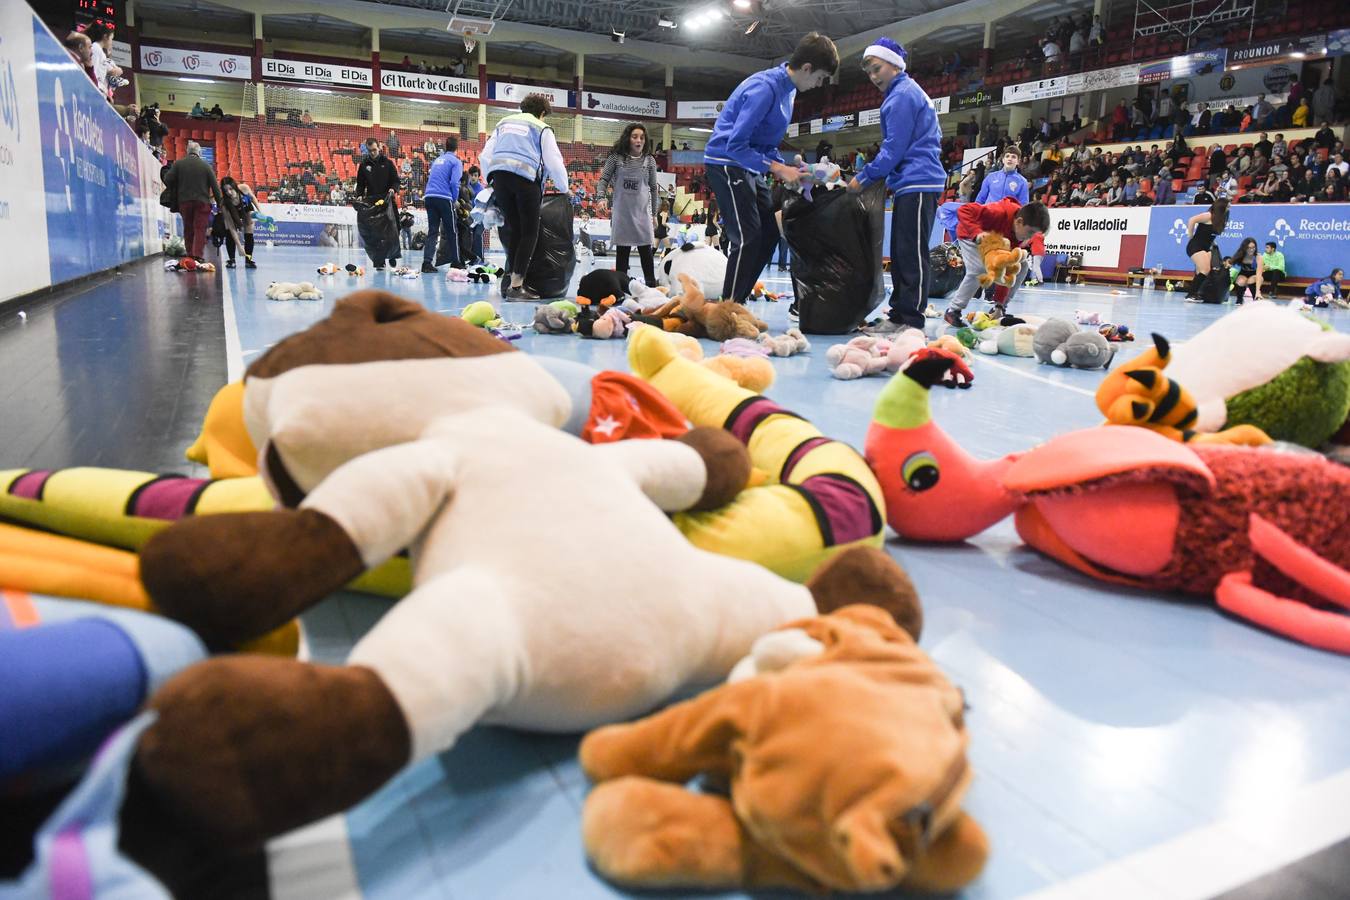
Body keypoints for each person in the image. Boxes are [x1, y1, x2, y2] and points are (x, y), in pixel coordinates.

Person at [703, 32, 837, 304]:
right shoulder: (764, 88)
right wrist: (777, 168)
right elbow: (736, 146)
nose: (819, 84)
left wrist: (792, 168)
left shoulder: (788, 92)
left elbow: (762, 144)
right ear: (807, 68)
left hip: (749, 167)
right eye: (820, 78)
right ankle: (727, 310)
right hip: (726, 164)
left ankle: (735, 301)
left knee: (769, 233)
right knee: (748, 237)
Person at [845, 37, 944, 334]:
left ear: (894, 64)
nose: (874, 77)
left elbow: (894, 148)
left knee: (910, 252)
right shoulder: (903, 92)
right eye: (870, 72)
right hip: (911, 181)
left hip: (919, 180)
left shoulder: (901, 96)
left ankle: (910, 319)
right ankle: (902, 314)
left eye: (877, 69)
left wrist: (863, 177)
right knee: (903, 251)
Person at [479, 94, 570, 300]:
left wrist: (490, 179)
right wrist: (564, 188)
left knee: (514, 231)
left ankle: (510, 281)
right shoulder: (541, 128)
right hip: (525, 181)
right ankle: (517, 287)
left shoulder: (504, 123)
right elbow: (553, 161)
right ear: (542, 113)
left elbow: (485, 155)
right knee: (529, 233)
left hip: (500, 179)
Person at [939, 198, 1051, 326]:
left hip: (994, 242)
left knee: (1021, 265)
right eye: (1030, 233)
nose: (1030, 238)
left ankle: (1000, 308)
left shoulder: (1016, 234)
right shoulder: (997, 212)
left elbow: (1006, 271)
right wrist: (977, 233)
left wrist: (999, 303)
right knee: (979, 269)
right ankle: (953, 310)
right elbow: (965, 210)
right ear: (1019, 222)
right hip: (970, 236)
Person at [596, 123, 661, 287]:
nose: (639, 140)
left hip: (642, 215)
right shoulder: (616, 158)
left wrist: (654, 214)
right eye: (635, 137)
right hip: (622, 215)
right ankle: (620, 288)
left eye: (642, 137)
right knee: (622, 255)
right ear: (628, 139)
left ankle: (651, 287)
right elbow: (603, 180)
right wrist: (601, 197)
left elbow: (654, 188)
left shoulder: (650, 161)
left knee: (646, 253)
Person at [164, 141, 222, 262]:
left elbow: (168, 179)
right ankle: (198, 256)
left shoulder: (179, 164)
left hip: (184, 201)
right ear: (199, 152)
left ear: (187, 151)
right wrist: (220, 205)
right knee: (200, 229)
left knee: (188, 228)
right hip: (202, 202)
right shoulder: (206, 166)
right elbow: (215, 187)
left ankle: (189, 255)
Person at [354, 139, 402, 269]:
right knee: (376, 234)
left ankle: (392, 255)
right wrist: (359, 195)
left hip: (388, 201)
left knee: (395, 228)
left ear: (379, 148)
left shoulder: (388, 163)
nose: (373, 153)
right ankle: (379, 262)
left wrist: (393, 189)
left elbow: (396, 180)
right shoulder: (364, 165)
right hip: (373, 204)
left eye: (374, 150)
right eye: (370, 151)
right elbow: (360, 184)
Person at [421, 136, 463, 273]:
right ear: (457, 148)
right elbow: (454, 183)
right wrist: (454, 199)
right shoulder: (456, 162)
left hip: (429, 196)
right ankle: (456, 262)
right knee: (452, 231)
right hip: (444, 198)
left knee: (433, 231)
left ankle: (426, 263)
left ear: (446, 146)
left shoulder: (437, 160)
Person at [1182, 197, 1228, 302]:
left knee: (1201, 271)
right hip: (1195, 246)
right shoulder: (1208, 215)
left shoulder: (1219, 220)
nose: (1229, 207)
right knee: (1205, 269)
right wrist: (1190, 236)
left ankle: (1195, 293)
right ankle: (1190, 295)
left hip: (1206, 247)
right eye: (1227, 205)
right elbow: (1192, 220)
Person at [216, 177, 257, 269]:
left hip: (245, 209)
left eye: (230, 189)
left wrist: (260, 211)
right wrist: (239, 246)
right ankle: (232, 260)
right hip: (233, 213)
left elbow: (253, 198)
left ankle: (248, 260)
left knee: (249, 233)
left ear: (234, 186)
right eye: (226, 191)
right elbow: (231, 227)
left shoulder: (244, 188)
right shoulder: (224, 204)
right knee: (229, 231)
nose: (229, 192)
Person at [1229, 237, 1259, 304]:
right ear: (1244, 248)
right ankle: (1239, 299)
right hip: (1243, 273)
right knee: (1241, 281)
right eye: (1249, 248)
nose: (1251, 250)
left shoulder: (1258, 257)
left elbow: (1259, 273)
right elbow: (1230, 262)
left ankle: (1256, 298)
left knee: (1251, 280)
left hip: (1255, 274)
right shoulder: (1241, 255)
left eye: (1253, 247)